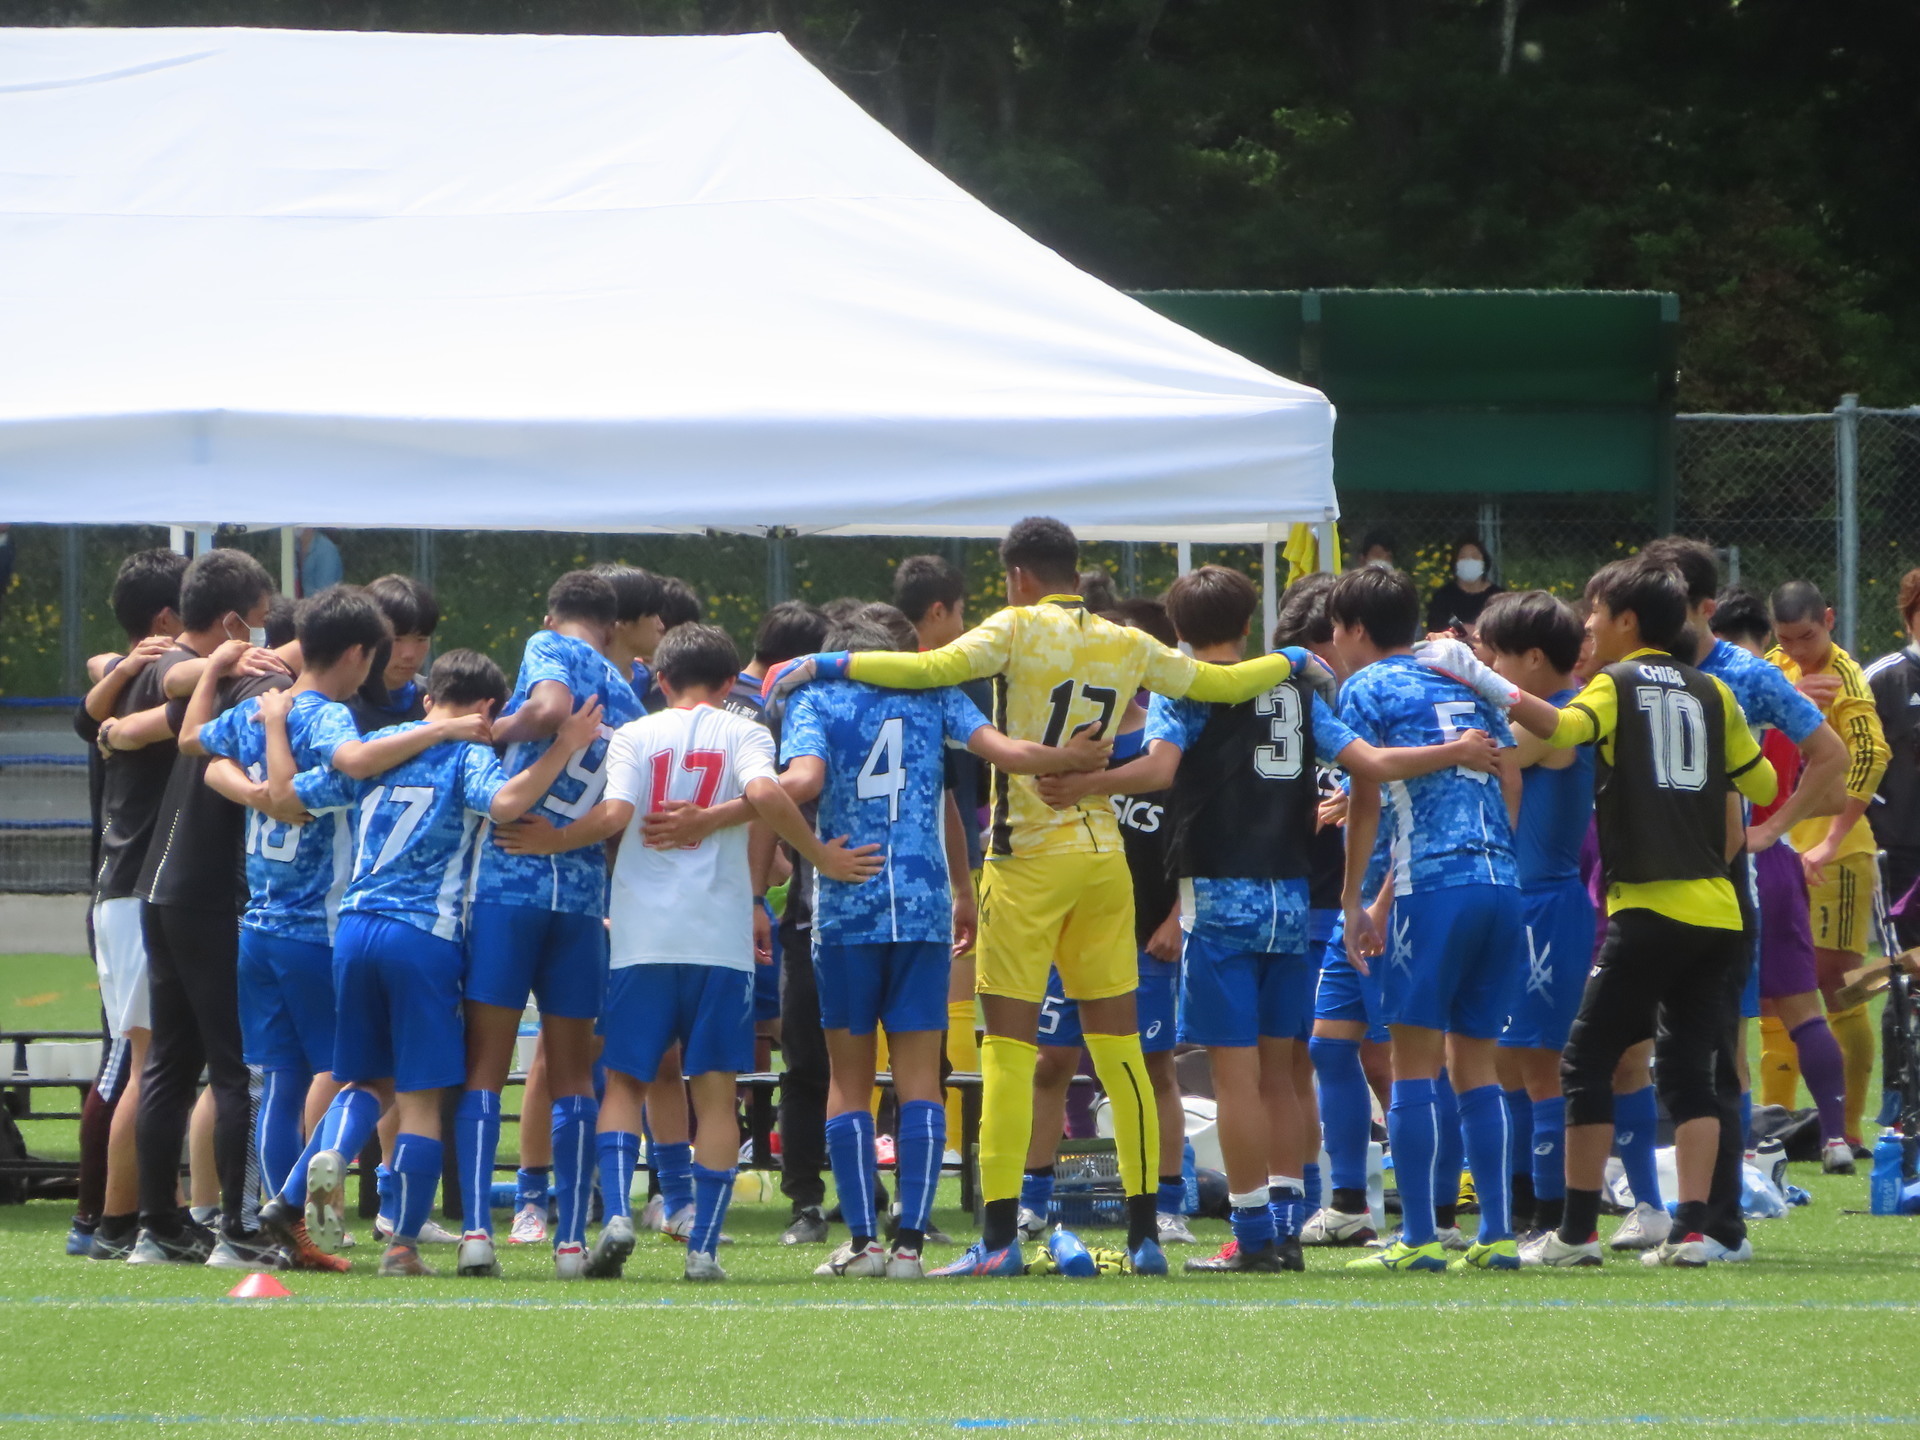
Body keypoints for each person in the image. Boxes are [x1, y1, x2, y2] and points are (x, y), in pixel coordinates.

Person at [765, 516, 1318, 1277]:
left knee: (1012, 1055)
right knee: (1122, 1050)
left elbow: (926, 672)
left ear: (1018, 576)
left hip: (1027, 859)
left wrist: (825, 666)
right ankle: (1144, 1235)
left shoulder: (1013, 629)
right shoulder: (1128, 641)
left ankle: (996, 1242)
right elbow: (1221, 683)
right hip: (1102, 858)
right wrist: (1289, 659)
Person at [1085, 567, 1501, 1273]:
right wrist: (1456, 752)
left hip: (1219, 897)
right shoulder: (1292, 689)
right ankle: (1285, 1225)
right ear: (1249, 626)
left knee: (1235, 1078)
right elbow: (1369, 762)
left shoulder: (1185, 688)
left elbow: (1157, 770)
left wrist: (1084, 782)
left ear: (1179, 633)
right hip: (1288, 896)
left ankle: (1250, 1238)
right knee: (1284, 1073)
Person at [502, 624, 882, 1282]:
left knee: (624, 1080)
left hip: (643, 934)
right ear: (730, 675)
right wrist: (817, 856)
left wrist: (552, 842)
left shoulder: (637, 734)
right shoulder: (747, 732)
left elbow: (616, 814)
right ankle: (703, 1246)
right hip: (719, 936)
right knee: (713, 1093)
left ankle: (618, 1210)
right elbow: (766, 794)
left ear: (663, 681)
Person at [1434, 555, 1779, 1267]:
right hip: (1718, 909)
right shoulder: (1714, 693)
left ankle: (1575, 1232)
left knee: (1583, 1062)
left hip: (1648, 907)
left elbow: (1557, 731)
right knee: (1690, 1073)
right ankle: (1705, 1230)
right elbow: (1765, 779)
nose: (1587, 626)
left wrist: (1476, 673)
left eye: (1595, 613)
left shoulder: (1615, 685)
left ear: (1627, 621)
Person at [781, 618, 1107, 1278]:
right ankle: (909, 1246)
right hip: (924, 906)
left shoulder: (815, 697)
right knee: (922, 1078)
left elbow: (804, 781)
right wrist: (1066, 758)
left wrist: (763, 816)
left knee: (849, 1082)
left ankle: (865, 1244)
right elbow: (1008, 755)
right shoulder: (935, 695)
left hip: (851, 904)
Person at [257, 653, 602, 1277]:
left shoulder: (379, 744)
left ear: (426, 700)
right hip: (424, 936)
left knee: (366, 1080)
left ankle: (300, 1184)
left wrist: (273, 730)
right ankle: (403, 1247)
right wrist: (564, 747)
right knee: (419, 1099)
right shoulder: (470, 753)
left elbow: (285, 797)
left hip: (354, 927)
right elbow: (504, 804)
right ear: (489, 710)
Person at [1331, 564, 1525, 1274]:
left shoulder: (1366, 687)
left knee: (1413, 1064)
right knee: (1475, 1061)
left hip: (1433, 889)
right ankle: (1498, 1234)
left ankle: (1416, 1237)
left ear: (1353, 630)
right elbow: (1511, 773)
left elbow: (1367, 794)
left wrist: (1358, 900)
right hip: (1502, 884)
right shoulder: (1467, 678)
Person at [454, 572, 643, 1279]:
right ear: (613, 621)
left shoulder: (549, 648)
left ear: (552, 615)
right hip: (583, 897)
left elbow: (549, 707)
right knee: (571, 1074)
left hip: (511, 883)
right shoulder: (628, 697)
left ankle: (477, 1231)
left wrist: (498, 729)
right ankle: (569, 1240)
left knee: (487, 1066)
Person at [113, 549, 282, 1267]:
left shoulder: (206, 684)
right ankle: (237, 1232)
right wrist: (233, 664)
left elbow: (134, 719)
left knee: (171, 1065)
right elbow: (167, 686)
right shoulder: (230, 684)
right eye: (263, 626)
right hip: (206, 893)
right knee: (231, 1063)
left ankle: (159, 1226)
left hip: (160, 886)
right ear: (238, 623)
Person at [1020, 601, 1188, 1251]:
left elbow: (1195, 837)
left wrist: (1178, 916)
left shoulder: (1164, 740)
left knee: (1152, 1069)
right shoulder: (1066, 734)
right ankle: (1036, 1198)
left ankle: (1166, 1201)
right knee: (1048, 1064)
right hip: (1068, 936)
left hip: (1147, 937)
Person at [1703, 585, 1853, 1175]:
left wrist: (1766, 830)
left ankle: (1736, 1156)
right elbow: (1833, 785)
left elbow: (1838, 772)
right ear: (1766, 637)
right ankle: (1837, 1137)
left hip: (1738, 858)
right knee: (1800, 1009)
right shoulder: (1782, 700)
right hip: (1777, 857)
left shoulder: (1733, 691)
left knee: (1729, 1019)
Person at [71, 548, 189, 1261]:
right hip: (133, 891)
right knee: (139, 1064)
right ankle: (109, 1219)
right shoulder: (143, 686)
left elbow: (96, 678)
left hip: (122, 893)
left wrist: (112, 669)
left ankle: (122, 1216)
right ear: (168, 620)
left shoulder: (119, 682)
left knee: (136, 1061)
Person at [1474, 591, 1594, 1244]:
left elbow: (1492, 756)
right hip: (1516, 903)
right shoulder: (1551, 713)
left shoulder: (1560, 721)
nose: (1489, 670)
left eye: (1497, 659)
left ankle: (1553, 1214)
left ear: (1536, 659)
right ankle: (1523, 1205)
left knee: (1540, 1065)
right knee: (1505, 1061)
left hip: (1547, 905)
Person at [1768, 580, 1890, 1153]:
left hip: (1836, 853)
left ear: (1831, 621)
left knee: (1838, 989)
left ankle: (1847, 1129)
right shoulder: (1773, 667)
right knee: (1774, 987)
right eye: (1786, 639)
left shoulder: (1847, 675)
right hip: (1777, 847)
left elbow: (1872, 754)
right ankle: (1776, 1122)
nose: (1797, 650)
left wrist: (1833, 838)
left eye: (1808, 637)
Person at [892, 554, 992, 1167]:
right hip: (937, 865)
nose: (964, 624)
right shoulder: (949, 680)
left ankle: (894, 1136)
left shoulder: (866, 673)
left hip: (862, 868)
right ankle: (953, 1140)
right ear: (939, 611)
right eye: (960, 612)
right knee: (949, 1004)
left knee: (873, 1021)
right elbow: (961, 793)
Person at [1866, 568, 1920, 951]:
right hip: (1899, 842)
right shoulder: (1882, 679)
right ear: (1909, 618)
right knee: (1905, 961)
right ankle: (1902, 1013)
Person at [348, 574, 437, 733]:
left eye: (421, 639)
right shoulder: (340, 705)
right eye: (397, 639)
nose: (409, 654)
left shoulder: (439, 700)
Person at [1425, 536, 1504, 635]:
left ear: (1484, 562)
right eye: (1463, 557)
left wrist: (1468, 631)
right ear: (1455, 563)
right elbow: (1435, 631)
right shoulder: (1442, 597)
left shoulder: (1499, 597)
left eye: (1475, 557)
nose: (1469, 561)